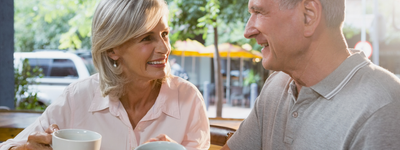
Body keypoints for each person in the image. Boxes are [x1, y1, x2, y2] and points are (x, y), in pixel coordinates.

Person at [0, 0, 210, 150]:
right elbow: (9, 146)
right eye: (147, 38)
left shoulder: (188, 99)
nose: (164, 48)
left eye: (165, 34)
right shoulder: (77, 98)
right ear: (113, 50)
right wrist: (25, 148)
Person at [222, 0, 400, 149]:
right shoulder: (276, 85)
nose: (248, 31)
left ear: (308, 16)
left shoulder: (383, 107)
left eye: (259, 12)